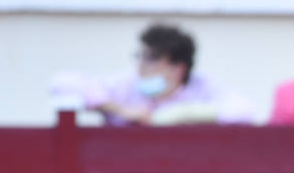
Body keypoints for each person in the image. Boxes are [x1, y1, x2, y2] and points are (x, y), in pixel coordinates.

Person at [58, 23, 251, 125]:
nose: (141, 66)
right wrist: (121, 110)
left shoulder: (200, 87)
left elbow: (244, 111)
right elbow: (62, 83)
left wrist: (178, 115)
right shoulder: (126, 85)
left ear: (178, 68)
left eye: (151, 59)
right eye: (140, 57)